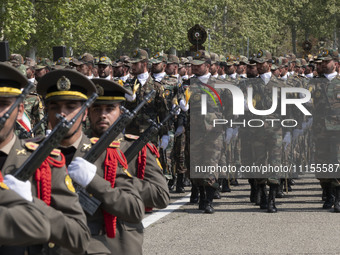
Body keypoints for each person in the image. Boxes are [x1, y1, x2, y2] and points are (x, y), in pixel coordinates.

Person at [37, 69, 145, 254]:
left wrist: (93, 181)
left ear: (85, 113)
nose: (61, 114)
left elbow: (134, 209)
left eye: (71, 107)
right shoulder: (30, 154)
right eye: (54, 107)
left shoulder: (105, 154)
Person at [0, 62, 91, 254]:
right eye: (55, 106)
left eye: (3, 104)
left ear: (20, 110)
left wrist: (32, 202)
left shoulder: (44, 162)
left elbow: (78, 236)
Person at [87, 78, 169, 254]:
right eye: (97, 109)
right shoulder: (77, 148)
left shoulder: (136, 148)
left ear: (121, 112)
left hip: (122, 240)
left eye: (109, 109)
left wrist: (115, 179)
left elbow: (161, 196)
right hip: (84, 238)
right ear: (88, 113)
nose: (103, 115)